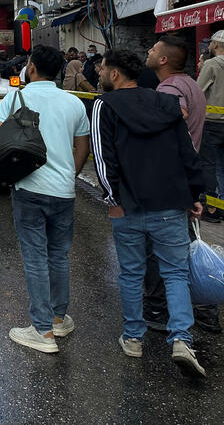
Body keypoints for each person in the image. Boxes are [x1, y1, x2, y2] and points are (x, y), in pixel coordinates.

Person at [92, 49, 206, 377]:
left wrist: (114, 199)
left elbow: (104, 160)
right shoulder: (166, 104)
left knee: (131, 274)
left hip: (127, 206)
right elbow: (186, 151)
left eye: (102, 69)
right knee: (175, 273)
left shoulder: (104, 105)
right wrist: (195, 194)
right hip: (171, 204)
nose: (99, 73)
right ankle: (182, 339)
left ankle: (133, 338)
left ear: (115, 74)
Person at [0, 45, 91, 354]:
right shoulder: (73, 103)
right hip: (63, 191)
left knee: (35, 257)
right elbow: (82, 148)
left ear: (31, 68)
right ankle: (59, 318)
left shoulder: (16, 98)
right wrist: (67, 176)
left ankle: (42, 331)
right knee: (58, 256)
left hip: (29, 188)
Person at [143, 36, 219, 333]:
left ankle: (160, 310)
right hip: (184, 179)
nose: (149, 52)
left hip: (169, 181)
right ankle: (204, 308)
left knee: (160, 248)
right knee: (183, 246)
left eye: (153, 50)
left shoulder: (170, 88)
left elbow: (177, 115)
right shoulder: (190, 84)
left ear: (163, 60)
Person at [197, 30, 224, 223]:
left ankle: (212, 208)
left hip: (213, 122)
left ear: (215, 45)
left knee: (209, 165)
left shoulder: (211, 64)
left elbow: (199, 91)